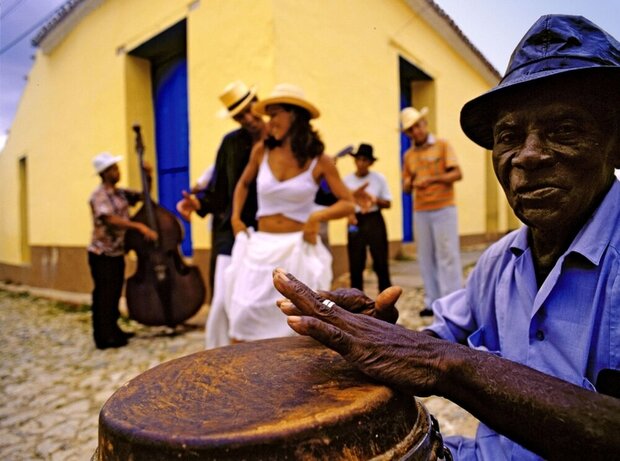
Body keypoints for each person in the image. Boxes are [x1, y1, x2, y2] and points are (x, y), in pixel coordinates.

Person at [272, 15, 620, 461]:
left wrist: (444, 366)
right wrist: (376, 333)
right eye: (509, 136)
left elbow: (441, 358)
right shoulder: (499, 262)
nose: (528, 155)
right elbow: (440, 339)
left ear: (616, 141)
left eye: (565, 130)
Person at [226, 83, 354, 343]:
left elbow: (348, 203)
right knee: (244, 315)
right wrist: (236, 218)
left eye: (274, 114)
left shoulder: (320, 160)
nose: (268, 121)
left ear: (294, 115)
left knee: (298, 322)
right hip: (260, 247)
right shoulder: (261, 150)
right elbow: (243, 183)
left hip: (297, 248)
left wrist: (316, 218)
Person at [176, 81, 266, 348]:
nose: (248, 119)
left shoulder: (280, 138)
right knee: (224, 301)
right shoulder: (230, 143)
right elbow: (219, 192)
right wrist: (198, 204)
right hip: (231, 232)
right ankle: (222, 357)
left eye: (250, 110)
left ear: (258, 103)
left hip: (270, 233)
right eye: (240, 116)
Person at [87, 152, 157, 349]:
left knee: (115, 293)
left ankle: (114, 329)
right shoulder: (98, 195)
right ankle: (102, 337)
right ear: (105, 173)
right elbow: (109, 218)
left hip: (117, 252)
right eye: (114, 169)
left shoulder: (120, 193)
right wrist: (138, 227)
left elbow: (144, 197)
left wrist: (148, 176)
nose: (118, 172)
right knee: (103, 294)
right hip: (101, 253)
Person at [401, 106, 463, 316]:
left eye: (417, 125)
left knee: (447, 255)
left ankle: (453, 302)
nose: (415, 131)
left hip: (444, 207)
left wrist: (432, 179)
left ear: (424, 124)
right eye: (410, 129)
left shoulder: (442, 145)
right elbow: (405, 185)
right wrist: (410, 183)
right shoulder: (408, 155)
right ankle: (432, 302)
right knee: (425, 257)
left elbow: (457, 173)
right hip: (421, 210)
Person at [343, 143, 392, 292]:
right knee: (356, 262)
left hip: (374, 219)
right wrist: (350, 215)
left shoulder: (379, 179)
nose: (361, 163)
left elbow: (388, 203)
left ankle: (385, 295)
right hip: (356, 220)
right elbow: (343, 203)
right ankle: (356, 299)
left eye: (365, 160)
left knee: (380, 259)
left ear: (370, 162)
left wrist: (374, 200)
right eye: (359, 159)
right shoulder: (347, 180)